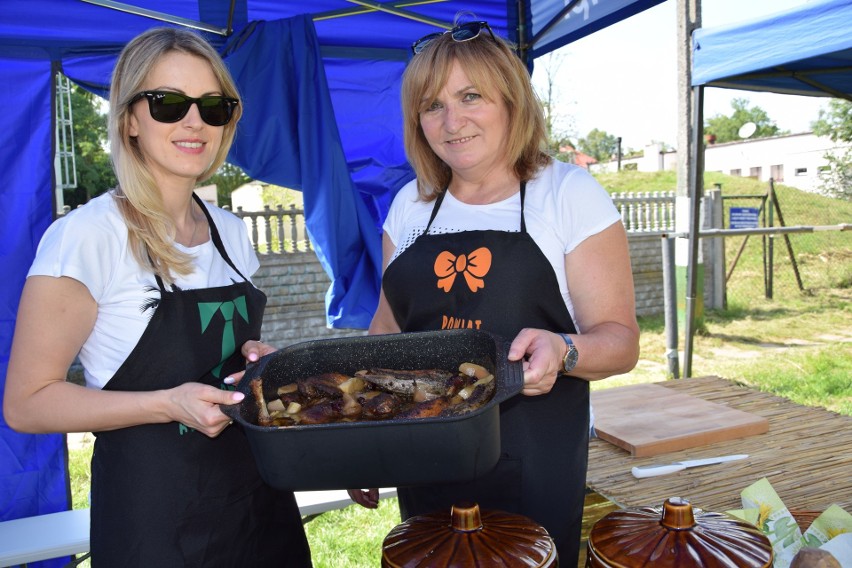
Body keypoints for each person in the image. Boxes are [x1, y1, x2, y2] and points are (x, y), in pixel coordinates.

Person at [3, 27, 312, 567]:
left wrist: (255, 361)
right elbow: (27, 404)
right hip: (156, 521)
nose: (194, 121)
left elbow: (229, 348)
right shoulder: (87, 237)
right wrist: (165, 404)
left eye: (213, 106)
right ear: (129, 120)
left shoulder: (232, 233)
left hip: (258, 505)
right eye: (168, 103)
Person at [343, 20, 640, 564]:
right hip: (422, 451)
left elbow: (620, 342)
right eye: (432, 105)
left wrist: (564, 349)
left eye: (470, 96)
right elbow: (385, 333)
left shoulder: (567, 193)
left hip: (533, 459)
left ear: (511, 101)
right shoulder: (412, 203)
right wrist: (367, 439)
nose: (451, 121)